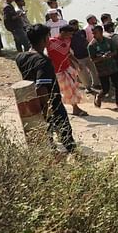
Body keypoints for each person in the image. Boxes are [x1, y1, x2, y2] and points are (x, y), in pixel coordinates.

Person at [16, 24, 76, 152]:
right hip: (51, 103)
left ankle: (51, 155)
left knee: (45, 135)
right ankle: (74, 155)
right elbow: (41, 87)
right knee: (65, 133)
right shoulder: (44, 61)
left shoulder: (21, 57)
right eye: (48, 36)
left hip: (32, 102)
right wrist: (48, 109)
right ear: (44, 39)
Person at [47, 24, 87, 117]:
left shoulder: (67, 40)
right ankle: (75, 109)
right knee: (68, 90)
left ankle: (73, 108)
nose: (71, 36)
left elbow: (68, 53)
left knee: (72, 88)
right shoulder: (51, 42)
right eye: (69, 34)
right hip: (57, 71)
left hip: (67, 68)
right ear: (62, 32)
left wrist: (77, 63)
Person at [88, 25, 118, 110]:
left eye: (95, 33)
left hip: (113, 67)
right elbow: (92, 59)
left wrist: (110, 54)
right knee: (106, 89)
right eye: (93, 33)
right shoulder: (92, 45)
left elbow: (115, 52)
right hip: (102, 69)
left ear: (101, 32)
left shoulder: (109, 41)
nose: (94, 35)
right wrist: (101, 58)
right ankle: (98, 96)